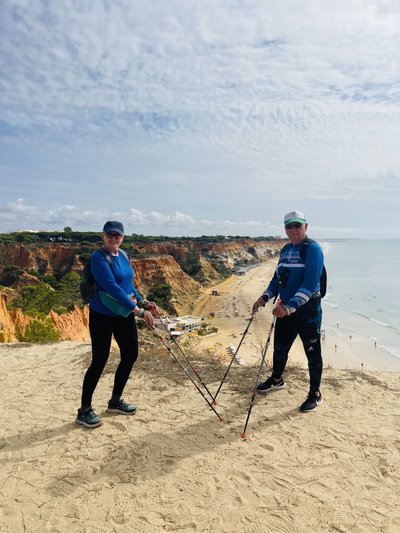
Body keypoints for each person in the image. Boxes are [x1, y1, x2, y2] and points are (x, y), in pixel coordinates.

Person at [76, 221, 157, 428]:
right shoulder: (98, 257)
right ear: (103, 236)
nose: (114, 238)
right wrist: (138, 311)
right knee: (100, 360)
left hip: (123, 313)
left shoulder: (123, 255)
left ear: (122, 237)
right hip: (102, 314)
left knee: (130, 354)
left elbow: (128, 285)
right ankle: (84, 410)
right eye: (110, 235)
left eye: (117, 235)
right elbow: (111, 287)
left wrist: (141, 301)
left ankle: (115, 401)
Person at [252, 211, 324, 412]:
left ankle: (316, 394)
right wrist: (263, 298)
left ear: (306, 227)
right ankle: (277, 379)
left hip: (307, 312)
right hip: (284, 309)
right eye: (289, 226)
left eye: (297, 225)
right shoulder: (285, 250)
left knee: (312, 353)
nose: (293, 230)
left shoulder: (313, 249)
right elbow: (277, 280)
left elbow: (309, 284)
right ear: (285, 229)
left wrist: (288, 307)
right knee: (280, 347)